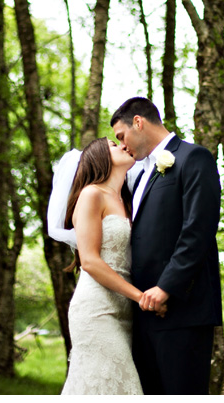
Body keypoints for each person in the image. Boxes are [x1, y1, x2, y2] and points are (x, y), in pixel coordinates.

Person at [110, 97, 222, 395]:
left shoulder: (193, 157)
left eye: (121, 136)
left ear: (138, 122)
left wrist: (166, 287)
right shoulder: (139, 172)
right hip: (144, 308)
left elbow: (198, 229)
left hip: (182, 308)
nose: (122, 145)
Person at [47, 137, 166, 395]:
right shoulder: (91, 194)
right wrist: (141, 297)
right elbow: (89, 261)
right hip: (97, 310)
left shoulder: (128, 201)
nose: (123, 145)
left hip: (125, 312)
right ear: (98, 157)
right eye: (114, 145)